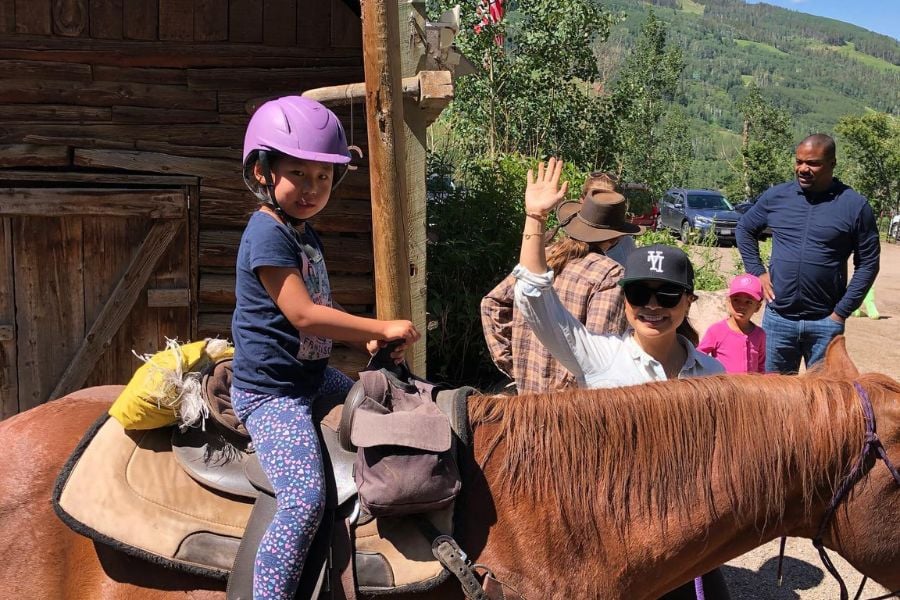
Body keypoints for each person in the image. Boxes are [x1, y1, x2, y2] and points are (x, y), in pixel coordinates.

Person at [230, 96, 420, 600]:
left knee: (387, 405)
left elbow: (317, 318)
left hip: (311, 379)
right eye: (299, 173)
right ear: (262, 171)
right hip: (273, 394)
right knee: (304, 500)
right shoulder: (266, 234)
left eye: (324, 176)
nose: (313, 188)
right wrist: (375, 325)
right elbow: (303, 313)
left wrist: (371, 343)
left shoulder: (302, 231)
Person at [513, 158, 728, 599]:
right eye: (638, 293)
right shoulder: (599, 357)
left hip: (681, 544)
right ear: (625, 299)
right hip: (608, 541)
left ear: (689, 301)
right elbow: (534, 298)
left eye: (667, 294)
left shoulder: (712, 375)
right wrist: (534, 218)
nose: (652, 305)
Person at [481, 172, 643, 394]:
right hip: (570, 410)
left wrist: (515, 365)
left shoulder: (541, 258)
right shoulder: (610, 275)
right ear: (617, 237)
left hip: (527, 396)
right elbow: (601, 357)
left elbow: (491, 304)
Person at [736, 134, 880, 374]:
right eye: (799, 161)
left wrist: (841, 312)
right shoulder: (777, 197)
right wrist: (757, 272)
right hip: (778, 320)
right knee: (776, 399)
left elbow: (868, 264)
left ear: (832, 164)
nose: (803, 168)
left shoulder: (854, 205)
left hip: (825, 322)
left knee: (824, 403)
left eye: (813, 163)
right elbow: (744, 229)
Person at [697, 274, 766, 373]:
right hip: (724, 387)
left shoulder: (760, 334)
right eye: (736, 300)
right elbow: (699, 356)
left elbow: (761, 365)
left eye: (748, 302)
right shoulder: (717, 330)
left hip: (750, 387)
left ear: (757, 307)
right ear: (728, 302)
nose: (741, 306)